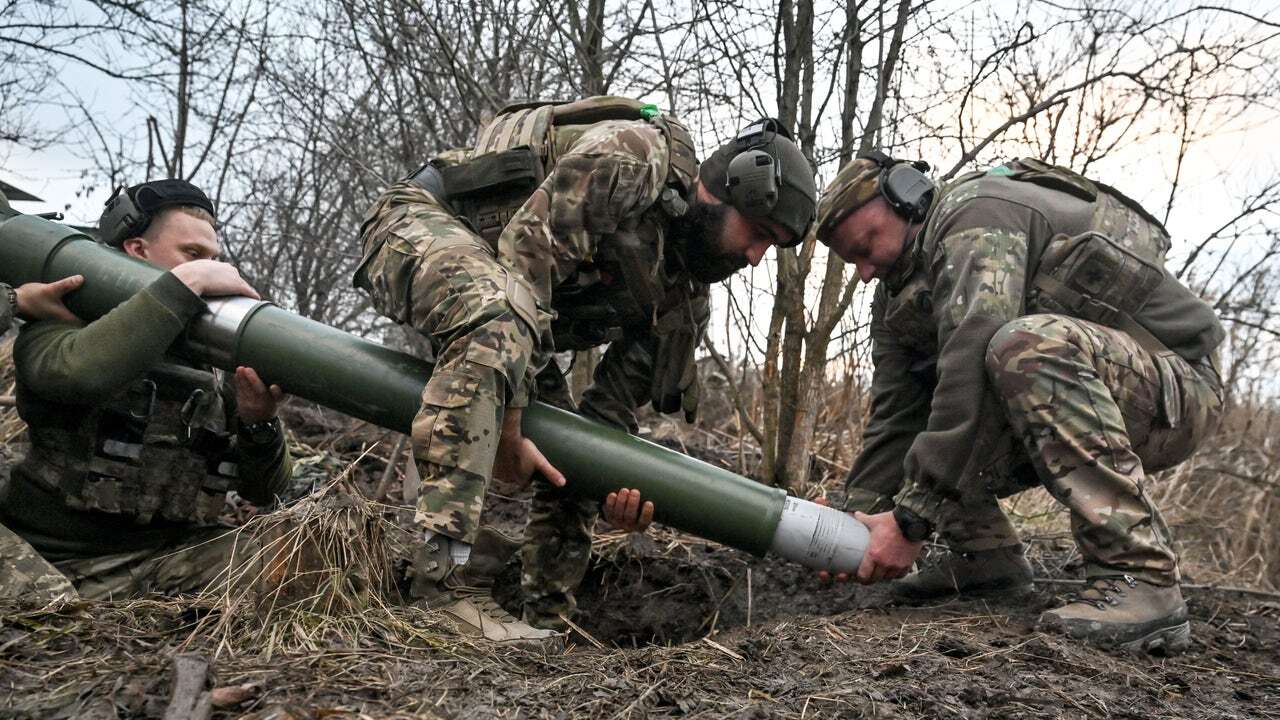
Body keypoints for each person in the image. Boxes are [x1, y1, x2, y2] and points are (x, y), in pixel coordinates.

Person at [355, 97, 817, 646]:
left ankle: (543, 617)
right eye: (758, 232)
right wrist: (509, 425)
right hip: (420, 225)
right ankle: (440, 582)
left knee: (578, 443)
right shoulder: (635, 157)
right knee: (501, 314)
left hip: (505, 315)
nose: (758, 256)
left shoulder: (683, 304)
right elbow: (525, 261)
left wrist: (612, 483)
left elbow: (606, 424)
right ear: (729, 189)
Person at [814, 154, 1224, 653]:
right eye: (850, 261)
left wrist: (911, 521)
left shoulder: (975, 215)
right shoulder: (897, 293)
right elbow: (896, 414)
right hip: (1084, 393)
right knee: (938, 419)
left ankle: (1142, 578)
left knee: (1022, 346)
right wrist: (852, 520)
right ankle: (985, 561)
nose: (862, 271)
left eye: (864, 246)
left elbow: (971, 365)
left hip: (1175, 391)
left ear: (906, 197)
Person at [0, 179, 294, 603]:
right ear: (137, 251)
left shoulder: (210, 357)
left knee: (310, 559)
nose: (211, 270)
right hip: (49, 555)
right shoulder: (60, 321)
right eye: (193, 255)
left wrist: (259, 423)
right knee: (47, 608)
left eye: (214, 259)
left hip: (166, 558)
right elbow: (80, 373)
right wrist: (182, 285)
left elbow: (266, 492)